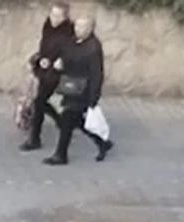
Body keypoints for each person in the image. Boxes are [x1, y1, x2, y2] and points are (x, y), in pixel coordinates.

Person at [44, 16, 113, 165]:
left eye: (82, 27)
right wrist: (60, 63)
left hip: (83, 90)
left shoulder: (93, 47)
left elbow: (97, 73)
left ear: (90, 29)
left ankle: (61, 155)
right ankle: (102, 142)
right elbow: (67, 56)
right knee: (77, 121)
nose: (78, 29)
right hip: (70, 87)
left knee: (68, 119)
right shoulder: (72, 41)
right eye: (77, 26)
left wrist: (94, 97)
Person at [19, 2, 73, 152]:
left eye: (58, 16)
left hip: (57, 73)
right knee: (39, 101)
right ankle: (59, 121)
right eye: (52, 14)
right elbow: (44, 45)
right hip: (44, 69)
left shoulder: (69, 32)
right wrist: (42, 58)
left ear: (65, 17)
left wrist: (61, 61)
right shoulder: (48, 26)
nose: (54, 19)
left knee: (39, 101)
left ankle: (35, 138)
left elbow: (70, 51)